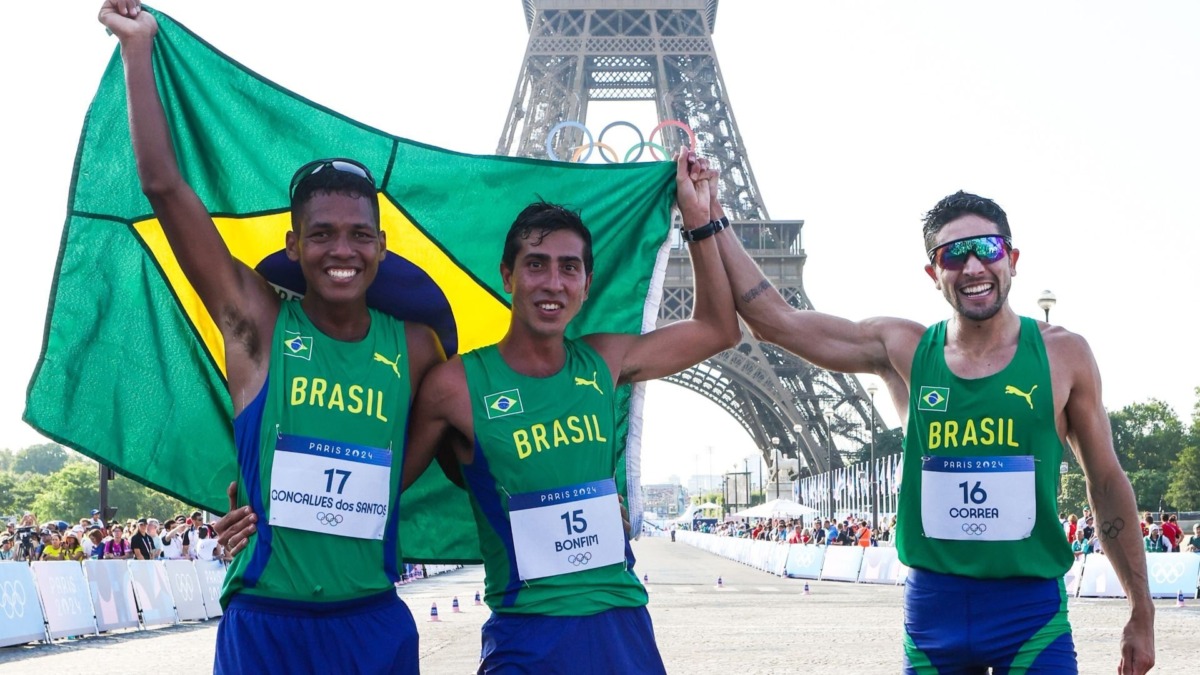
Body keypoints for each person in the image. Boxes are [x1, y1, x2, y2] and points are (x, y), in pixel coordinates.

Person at [100, 2, 445, 672]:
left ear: (379, 247)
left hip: (371, 621)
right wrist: (137, 51)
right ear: (294, 244)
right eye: (321, 234)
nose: (339, 249)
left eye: (357, 234)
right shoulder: (257, 325)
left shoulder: (416, 347)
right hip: (268, 623)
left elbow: (466, 426)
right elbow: (164, 188)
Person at [715, 189, 1154, 673]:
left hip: (1029, 611)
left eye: (987, 249)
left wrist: (1142, 611)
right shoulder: (904, 348)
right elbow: (775, 321)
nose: (972, 267)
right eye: (952, 255)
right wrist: (710, 213)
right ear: (933, 273)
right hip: (934, 613)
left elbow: (1107, 482)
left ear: (1012, 258)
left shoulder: (1064, 354)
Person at [399, 153, 738, 673]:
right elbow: (384, 484)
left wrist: (697, 218)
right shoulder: (455, 387)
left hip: (620, 624)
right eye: (536, 264)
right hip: (528, 633)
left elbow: (720, 328)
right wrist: (262, 495)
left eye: (569, 267)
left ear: (586, 282)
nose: (552, 282)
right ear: (507, 276)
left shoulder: (604, 360)